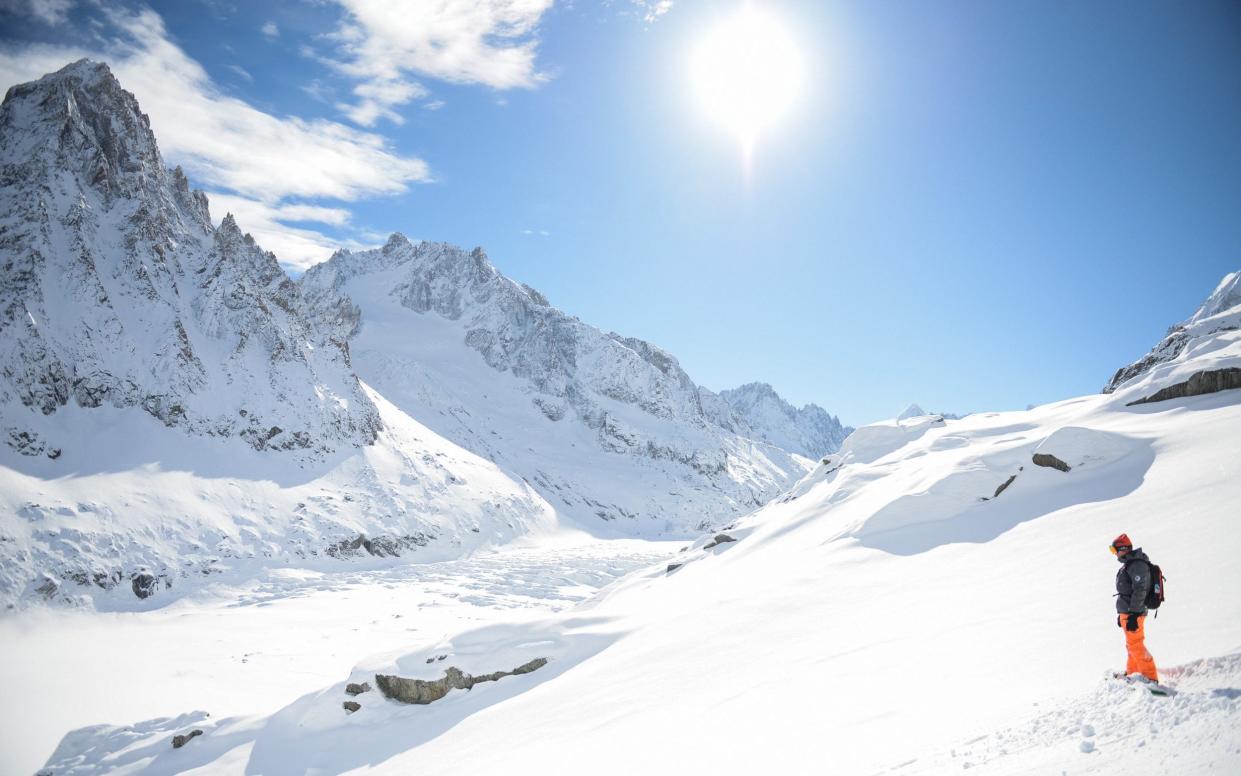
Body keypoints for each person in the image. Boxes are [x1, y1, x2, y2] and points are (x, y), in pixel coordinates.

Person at [1110, 533, 1158, 682]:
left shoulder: (1137, 565)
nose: (1114, 554)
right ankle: (1133, 673)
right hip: (1128, 612)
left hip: (1134, 613)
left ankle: (1150, 677)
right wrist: (1122, 613)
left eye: (1114, 550)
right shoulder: (1129, 565)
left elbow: (1140, 590)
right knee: (1131, 645)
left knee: (1136, 645)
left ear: (1123, 549)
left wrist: (1134, 614)